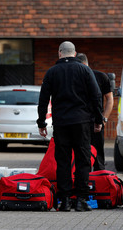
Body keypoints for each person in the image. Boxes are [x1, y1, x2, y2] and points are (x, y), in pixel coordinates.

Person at [37, 41, 103, 212]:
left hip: (61, 123)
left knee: (63, 161)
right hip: (81, 122)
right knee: (82, 161)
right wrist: (98, 120)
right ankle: (81, 200)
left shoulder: (51, 72)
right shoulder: (85, 70)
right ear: (74, 54)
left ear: (60, 53)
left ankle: (64, 200)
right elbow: (96, 96)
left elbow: (43, 99)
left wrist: (41, 122)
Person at [77, 53, 114, 170]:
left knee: (98, 157)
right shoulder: (75, 78)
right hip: (78, 123)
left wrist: (104, 119)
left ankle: (99, 181)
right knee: (81, 157)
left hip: (96, 122)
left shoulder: (101, 77)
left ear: (83, 64)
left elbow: (110, 99)